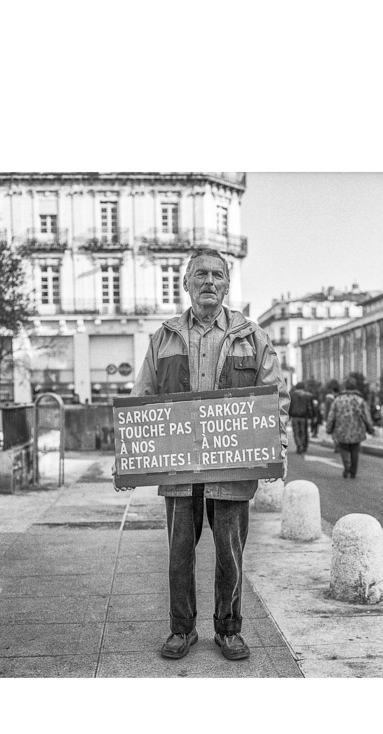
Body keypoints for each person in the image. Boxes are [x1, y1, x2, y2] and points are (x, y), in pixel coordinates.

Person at [117, 248, 290, 661]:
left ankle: (229, 630)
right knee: (179, 555)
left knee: (230, 553)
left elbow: (275, 398)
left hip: (232, 468)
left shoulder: (254, 336)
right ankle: (182, 630)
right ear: (186, 283)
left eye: (217, 274)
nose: (208, 281)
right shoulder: (163, 337)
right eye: (200, 275)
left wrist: (275, 447)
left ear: (227, 284)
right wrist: (129, 454)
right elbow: (144, 397)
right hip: (179, 472)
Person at [325, 375, 375, 478]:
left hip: (341, 429)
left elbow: (331, 415)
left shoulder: (338, 400)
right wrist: (370, 428)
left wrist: (329, 428)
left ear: (344, 387)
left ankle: (347, 466)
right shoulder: (360, 399)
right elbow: (366, 415)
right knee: (355, 449)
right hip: (357, 430)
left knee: (343, 448)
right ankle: (353, 471)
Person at [289, 381, 314, 454]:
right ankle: (303, 445)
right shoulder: (308, 396)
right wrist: (311, 417)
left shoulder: (291, 395)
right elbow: (310, 407)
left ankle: (299, 445)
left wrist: (288, 416)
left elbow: (289, 406)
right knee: (304, 432)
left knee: (296, 432)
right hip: (304, 417)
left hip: (294, 417)